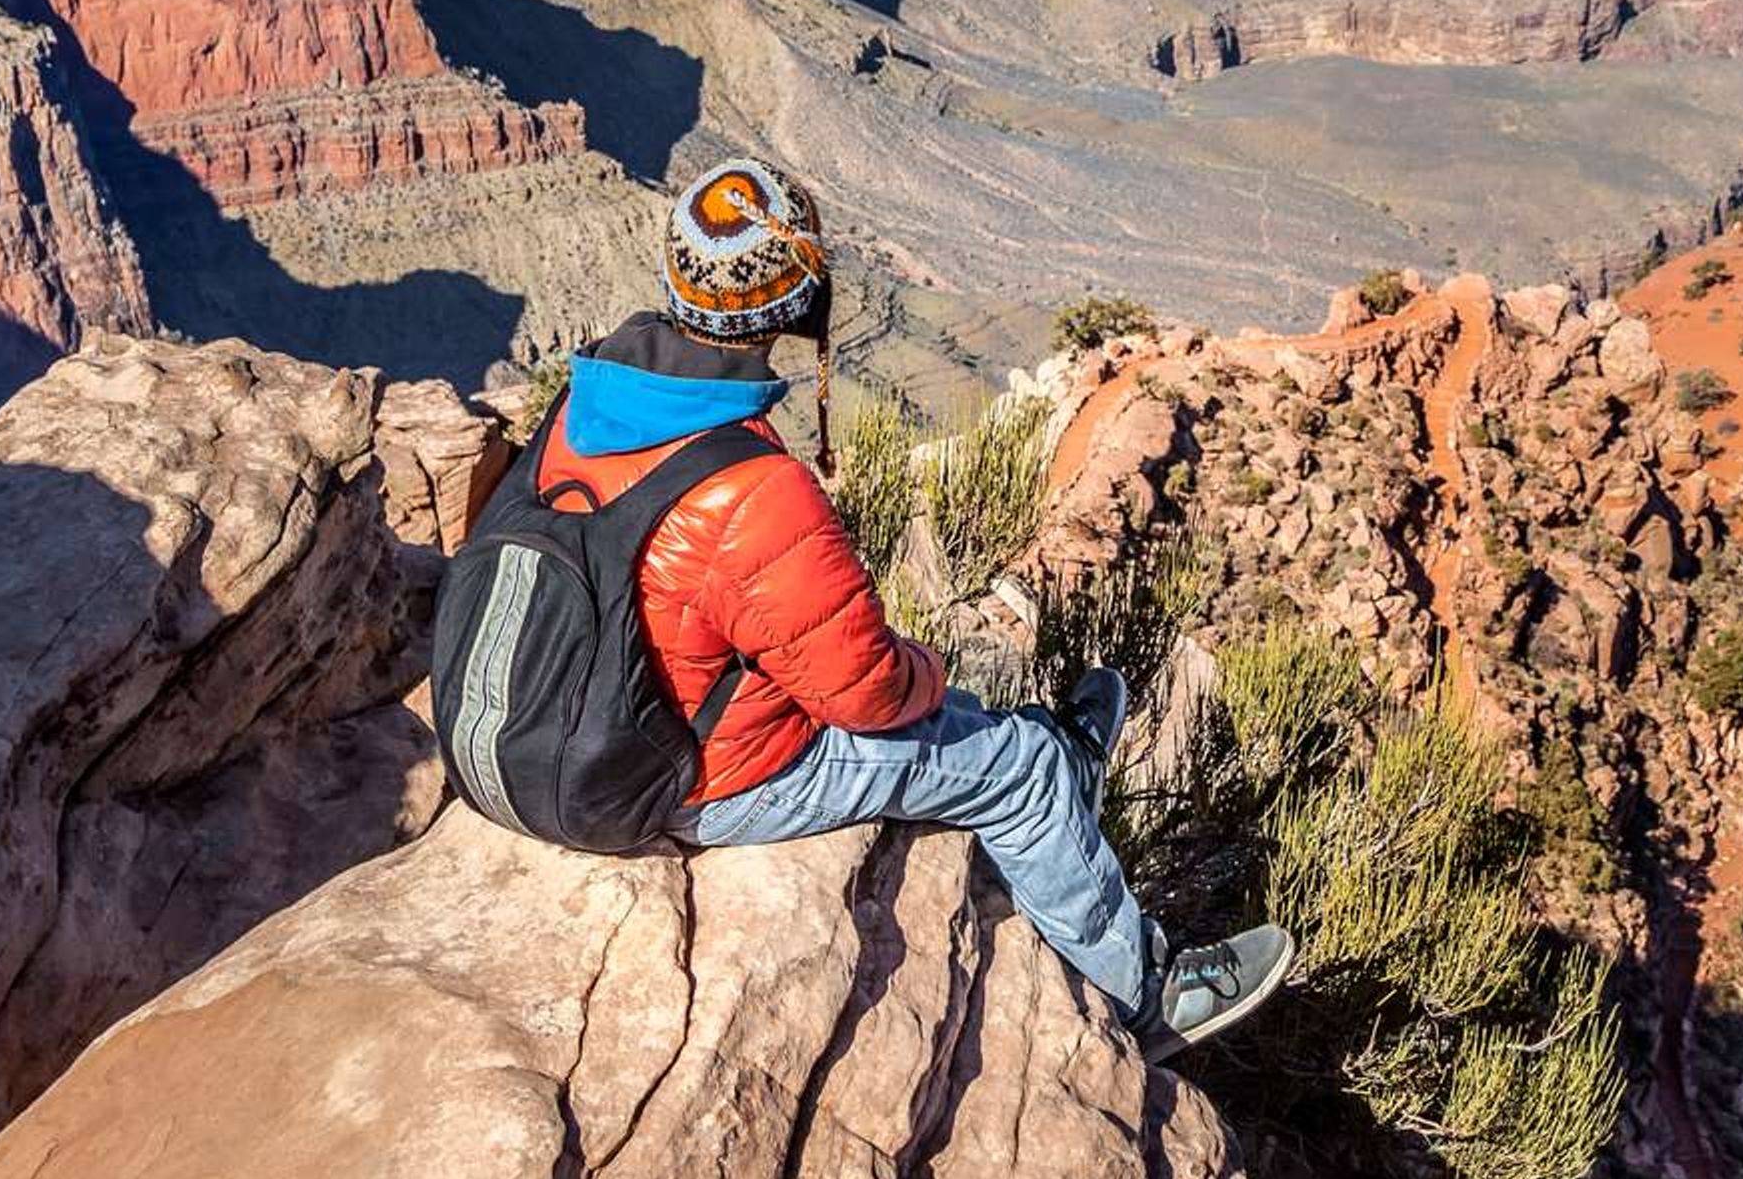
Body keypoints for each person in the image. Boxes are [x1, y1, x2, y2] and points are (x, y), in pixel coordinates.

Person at [523, 155, 1293, 1053]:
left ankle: (1053, 751)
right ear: (796, 305)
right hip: (704, 778)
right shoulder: (751, 486)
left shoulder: (595, 397)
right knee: (1013, 768)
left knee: (961, 720)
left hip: (590, 723)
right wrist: (926, 667)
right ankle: (1146, 993)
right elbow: (868, 697)